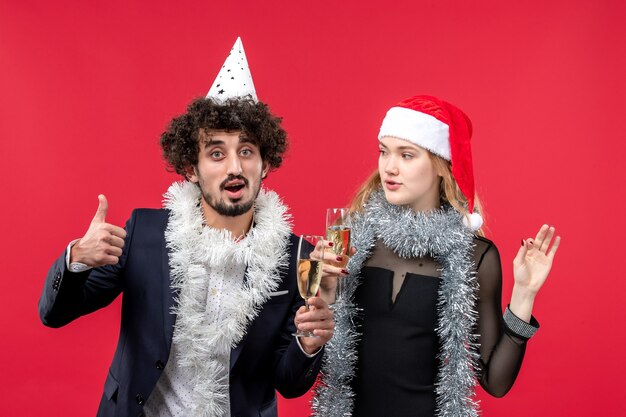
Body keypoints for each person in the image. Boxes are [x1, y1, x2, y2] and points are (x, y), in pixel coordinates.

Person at [38, 38, 334, 417]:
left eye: (246, 151)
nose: (234, 167)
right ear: (191, 169)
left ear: (265, 165)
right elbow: (54, 314)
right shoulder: (144, 234)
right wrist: (76, 259)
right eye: (216, 153)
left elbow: (289, 383)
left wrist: (309, 342)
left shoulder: (297, 256)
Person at [312, 95, 560, 417]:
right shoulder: (354, 239)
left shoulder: (475, 257)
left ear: (441, 166)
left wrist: (524, 294)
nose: (390, 167)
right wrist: (324, 292)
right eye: (384, 151)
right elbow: (310, 352)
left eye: (407, 155)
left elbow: (495, 382)